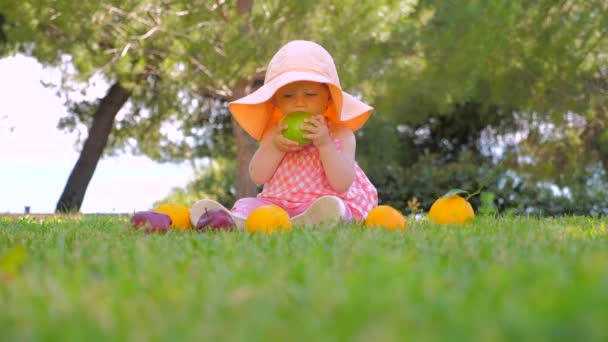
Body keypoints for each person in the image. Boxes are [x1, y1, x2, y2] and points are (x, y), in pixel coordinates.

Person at [191, 40, 377, 228]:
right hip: (276, 205)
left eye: (310, 94)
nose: (300, 102)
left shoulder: (340, 133)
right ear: (276, 100)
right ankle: (232, 220)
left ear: (328, 98)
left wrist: (325, 144)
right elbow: (257, 176)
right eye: (289, 96)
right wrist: (276, 147)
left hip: (319, 204)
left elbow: (342, 183)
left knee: (335, 208)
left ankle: (316, 219)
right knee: (246, 204)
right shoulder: (276, 132)